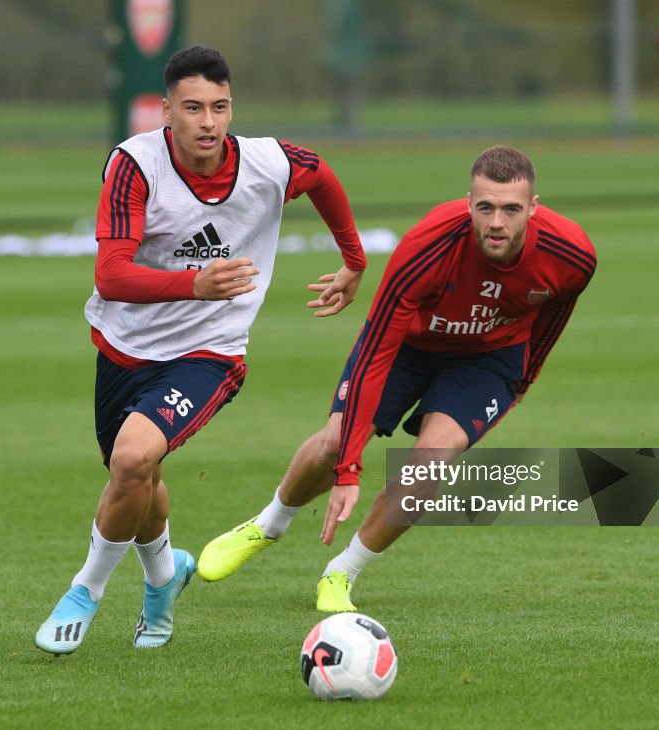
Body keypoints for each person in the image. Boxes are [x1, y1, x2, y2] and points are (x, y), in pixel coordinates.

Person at [35, 45, 366, 654]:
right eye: (193, 108)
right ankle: (164, 577)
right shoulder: (135, 166)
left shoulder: (267, 162)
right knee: (137, 476)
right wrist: (196, 282)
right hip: (124, 349)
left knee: (133, 460)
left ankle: (86, 588)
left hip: (210, 353)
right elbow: (111, 275)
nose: (208, 121)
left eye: (219, 107)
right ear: (166, 111)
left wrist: (354, 259)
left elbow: (319, 173)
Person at [198, 146, 596, 612]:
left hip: (488, 359)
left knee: (430, 463)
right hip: (408, 347)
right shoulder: (425, 248)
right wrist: (349, 466)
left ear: (533, 207)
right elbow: (375, 352)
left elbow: (554, 313)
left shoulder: (573, 255)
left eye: (511, 209)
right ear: (468, 202)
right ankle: (268, 524)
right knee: (332, 443)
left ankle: (341, 574)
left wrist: (524, 380)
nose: (496, 223)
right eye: (485, 207)